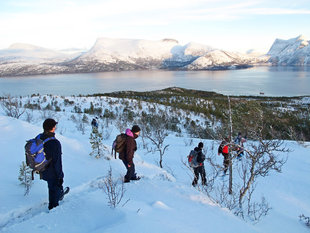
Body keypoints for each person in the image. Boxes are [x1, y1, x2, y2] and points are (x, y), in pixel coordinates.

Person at [40, 118, 67, 210]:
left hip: (43, 168)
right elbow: (57, 161)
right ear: (52, 128)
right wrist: (60, 175)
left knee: (51, 187)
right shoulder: (55, 143)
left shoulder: (40, 137)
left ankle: (57, 197)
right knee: (54, 188)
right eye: (54, 125)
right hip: (52, 171)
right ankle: (53, 208)